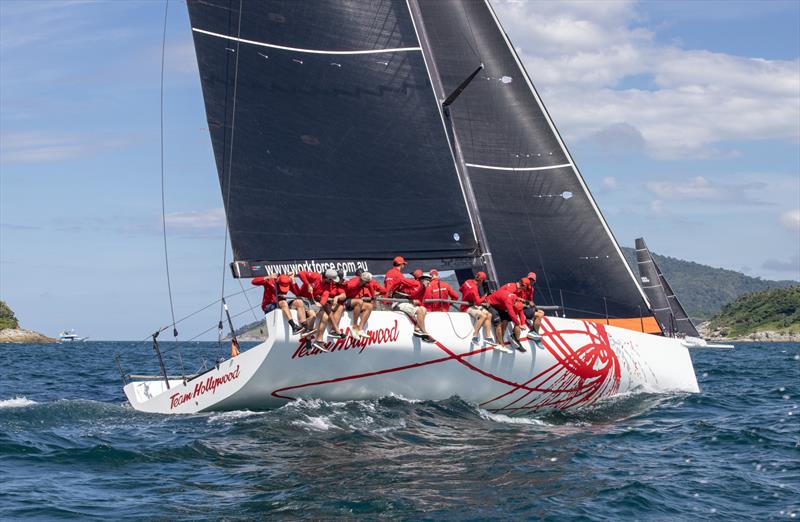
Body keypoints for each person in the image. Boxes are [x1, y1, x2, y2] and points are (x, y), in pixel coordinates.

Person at [310, 268, 347, 351]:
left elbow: (343, 295)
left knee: (340, 306)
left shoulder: (336, 285)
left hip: (324, 305)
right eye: (342, 279)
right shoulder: (320, 280)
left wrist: (337, 297)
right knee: (326, 309)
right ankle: (336, 330)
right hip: (313, 303)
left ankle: (331, 332)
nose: (343, 281)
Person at [459, 272, 498, 347]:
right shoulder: (474, 288)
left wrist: (468, 296)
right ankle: (475, 336)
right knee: (483, 316)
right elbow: (478, 303)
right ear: (481, 280)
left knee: (489, 315)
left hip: (468, 304)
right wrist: (485, 296)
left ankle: (488, 337)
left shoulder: (468, 281)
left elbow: (461, 289)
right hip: (466, 307)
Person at [343, 271, 384, 339]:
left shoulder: (365, 283)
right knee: (359, 301)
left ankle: (360, 329)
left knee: (369, 306)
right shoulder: (352, 284)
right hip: (345, 301)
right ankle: (354, 327)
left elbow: (371, 287)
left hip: (354, 302)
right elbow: (342, 292)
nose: (368, 284)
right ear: (362, 280)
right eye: (367, 282)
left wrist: (373, 298)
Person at [394, 272, 435, 342]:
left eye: (430, 280)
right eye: (427, 280)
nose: (429, 282)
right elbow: (400, 280)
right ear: (421, 280)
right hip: (399, 303)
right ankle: (424, 332)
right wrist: (390, 292)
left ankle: (417, 329)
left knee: (423, 309)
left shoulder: (424, 289)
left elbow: (420, 302)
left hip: (408, 304)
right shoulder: (415, 283)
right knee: (420, 310)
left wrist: (416, 303)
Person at [487, 286, 527, 352]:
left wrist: (523, 323)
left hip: (499, 305)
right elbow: (511, 313)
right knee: (498, 324)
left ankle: (502, 341)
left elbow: (521, 312)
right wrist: (518, 324)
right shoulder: (508, 302)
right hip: (491, 303)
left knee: (505, 321)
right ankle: (500, 344)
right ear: (513, 305)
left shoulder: (515, 298)